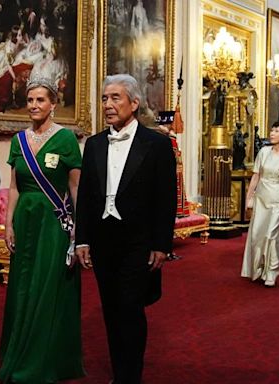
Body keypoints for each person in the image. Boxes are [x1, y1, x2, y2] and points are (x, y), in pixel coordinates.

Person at [75, 74, 176, 384]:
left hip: (139, 242)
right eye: (105, 98)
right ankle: (120, 372)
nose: (108, 104)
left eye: (115, 97)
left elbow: (166, 197)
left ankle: (129, 376)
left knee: (131, 309)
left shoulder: (157, 143)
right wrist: (82, 241)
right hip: (104, 242)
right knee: (111, 311)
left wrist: (161, 244)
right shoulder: (93, 144)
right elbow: (87, 198)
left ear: (134, 103)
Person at [0, 75, 85, 383]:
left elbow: (76, 189)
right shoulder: (19, 140)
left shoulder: (66, 139)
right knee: (21, 287)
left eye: (40, 100)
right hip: (24, 219)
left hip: (53, 223)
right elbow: (14, 187)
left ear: (53, 105)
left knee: (47, 287)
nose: (34, 105)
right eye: (30, 100)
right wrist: (8, 222)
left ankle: (44, 358)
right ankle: (17, 351)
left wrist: (80, 233)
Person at [241, 120, 279, 287]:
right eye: (272, 130)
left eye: (276, 131)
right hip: (261, 198)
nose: (272, 133)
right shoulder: (263, 152)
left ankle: (272, 271)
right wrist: (248, 198)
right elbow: (256, 176)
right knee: (257, 235)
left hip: (278, 199)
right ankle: (259, 268)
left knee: (272, 235)